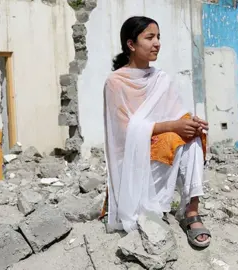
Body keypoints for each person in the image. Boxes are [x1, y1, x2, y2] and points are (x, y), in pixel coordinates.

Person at [102, 16, 211, 248]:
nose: (157, 43)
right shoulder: (116, 82)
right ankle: (146, 208)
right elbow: (123, 132)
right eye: (149, 37)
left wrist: (191, 122)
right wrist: (173, 127)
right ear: (131, 44)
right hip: (133, 161)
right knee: (175, 136)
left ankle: (192, 211)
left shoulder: (161, 79)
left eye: (158, 37)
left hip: (161, 149)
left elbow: (176, 114)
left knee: (192, 136)